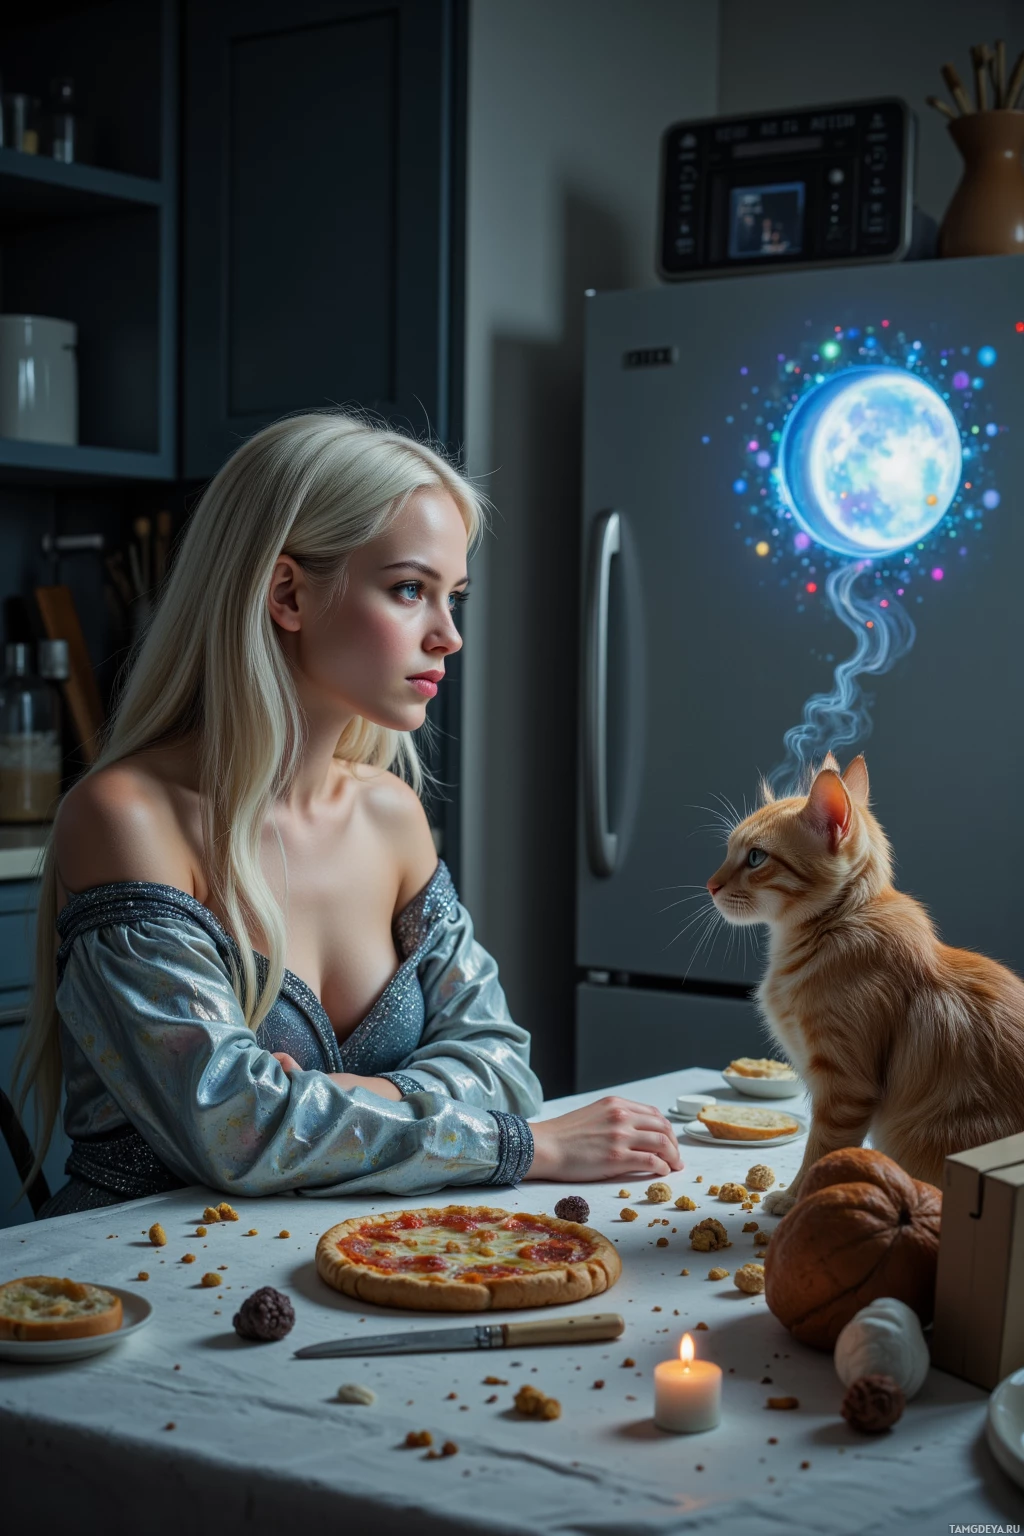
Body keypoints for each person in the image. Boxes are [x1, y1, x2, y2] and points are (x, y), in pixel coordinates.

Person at [14, 411, 682, 1215]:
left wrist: (341, 1096)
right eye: (409, 590)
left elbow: (503, 1065)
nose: (449, 636)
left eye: (454, 596)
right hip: (133, 1290)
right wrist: (522, 1146)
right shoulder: (126, 819)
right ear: (288, 594)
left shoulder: (390, 814)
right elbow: (238, 1126)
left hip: (363, 1258)